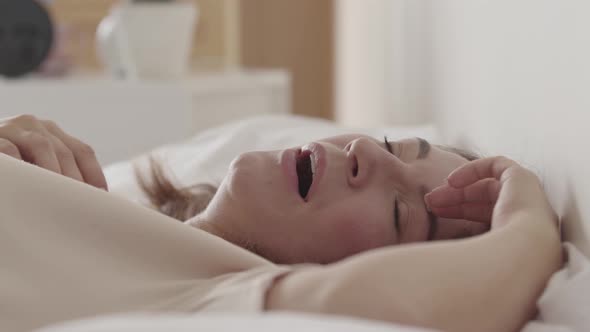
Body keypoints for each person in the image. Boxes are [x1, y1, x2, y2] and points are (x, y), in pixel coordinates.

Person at [0, 114, 562, 332]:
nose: (369, 150)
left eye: (399, 212)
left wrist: (529, 230)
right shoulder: (98, 208)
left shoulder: (204, 292)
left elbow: (396, 308)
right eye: (393, 144)